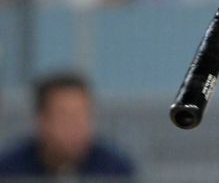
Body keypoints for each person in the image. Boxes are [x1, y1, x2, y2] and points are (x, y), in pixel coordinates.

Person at [0, 72, 135, 179]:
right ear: (41, 120)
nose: (77, 126)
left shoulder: (114, 169)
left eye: (83, 115)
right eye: (66, 117)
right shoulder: (9, 170)